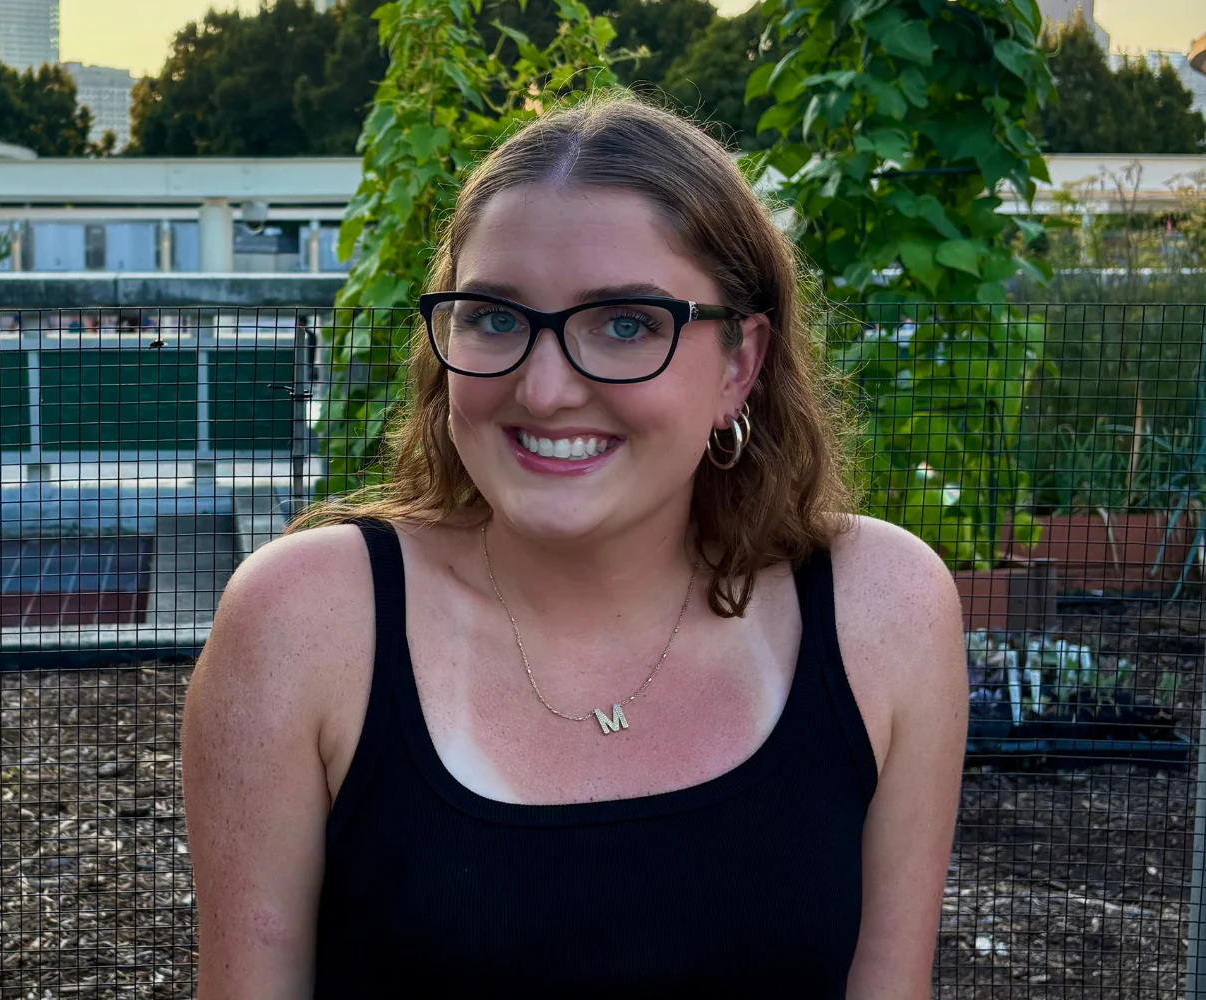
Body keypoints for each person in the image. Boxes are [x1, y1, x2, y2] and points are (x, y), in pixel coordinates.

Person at [181, 94, 967, 998]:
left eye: (626, 323)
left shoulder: (882, 610)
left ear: (738, 363)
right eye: (493, 318)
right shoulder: (307, 623)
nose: (544, 389)